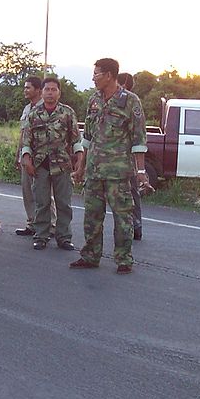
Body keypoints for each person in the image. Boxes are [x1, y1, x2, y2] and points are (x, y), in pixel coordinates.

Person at [70, 58, 148, 274]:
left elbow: (139, 140)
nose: (93, 78)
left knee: (123, 217)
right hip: (94, 170)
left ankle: (124, 259)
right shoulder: (94, 100)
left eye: (96, 74)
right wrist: (80, 165)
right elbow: (88, 137)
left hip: (118, 172)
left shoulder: (130, 101)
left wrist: (141, 172)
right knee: (92, 216)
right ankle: (90, 255)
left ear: (109, 75)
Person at [20, 77, 84, 251]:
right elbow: (27, 141)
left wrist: (79, 158)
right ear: (42, 92)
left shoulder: (67, 113)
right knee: (42, 202)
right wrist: (26, 160)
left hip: (62, 165)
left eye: (53, 89)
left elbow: (76, 139)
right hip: (40, 165)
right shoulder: (33, 114)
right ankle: (41, 235)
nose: (50, 93)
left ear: (59, 92)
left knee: (64, 203)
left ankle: (64, 237)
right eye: (47, 89)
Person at [15, 76, 42, 236]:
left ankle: (49, 225)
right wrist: (18, 154)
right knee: (27, 191)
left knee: (42, 192)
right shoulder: (27, 109)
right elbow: (23, 134)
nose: (25, 90)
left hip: (39, 156)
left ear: (38, 90)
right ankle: (32, 223)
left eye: (28, 87)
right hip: (25, 155)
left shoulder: (43, 108)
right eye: (25, 87)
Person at [117, 72, 143, 241]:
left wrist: (140, 168)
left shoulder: (132, 102)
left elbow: (138, 136)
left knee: (131, 192)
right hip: (109, 161)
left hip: (127, 159)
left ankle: (136, 224)